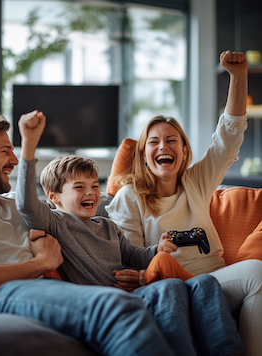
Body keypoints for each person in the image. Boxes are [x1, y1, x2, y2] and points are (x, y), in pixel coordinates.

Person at [0, 113, 192, 356]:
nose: (14, 160)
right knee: (116, 307)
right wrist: (41, 263)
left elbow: (57, 213)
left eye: (14, 152)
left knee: (169, 293)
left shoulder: (12, 203)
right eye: (5, 151)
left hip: (45, 288)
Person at [15, 109, 245, 356]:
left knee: (205, 282)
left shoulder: (107, 226)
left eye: (94, 186)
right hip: (110, 300)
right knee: (170, 288)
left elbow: (134, 254)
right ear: (53, 196)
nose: (91, 193)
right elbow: (26, 204)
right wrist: (28, 146)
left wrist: (156, 250)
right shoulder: (57, 222)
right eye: (79, 187)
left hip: (135, 294)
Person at [106, 50, 262, 356]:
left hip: (215, 283)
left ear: (185, 151)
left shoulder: (197, 181)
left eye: (171, 140)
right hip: (170, 289)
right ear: (143, 155)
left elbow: (229, 137)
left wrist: (238, 76)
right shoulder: (129, 197)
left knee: (256, 272)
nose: (163, 146)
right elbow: (129, 258)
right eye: (154, 141)